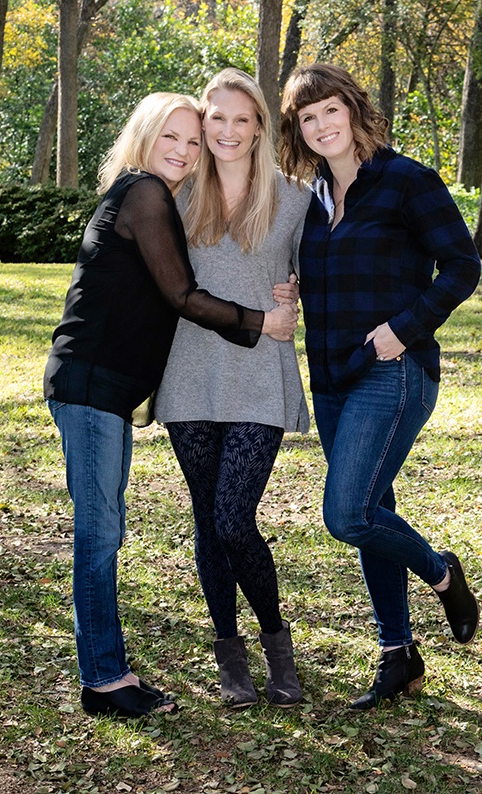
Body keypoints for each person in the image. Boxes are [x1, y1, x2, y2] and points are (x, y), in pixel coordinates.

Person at [44, 92, 297, 721]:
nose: (184, 151)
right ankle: (104, 679)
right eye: (172, 138)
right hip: (90, 384)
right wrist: (262, 320)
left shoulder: (154, 194)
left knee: (112, 530)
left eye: (192, 139)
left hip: (107, 391)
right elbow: (182, 294)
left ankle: (110, 671)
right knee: (100, 535)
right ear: (145, 138)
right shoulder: (146, 194)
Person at [279, 63, 482, 710]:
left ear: (353, 109)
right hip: (333, 377)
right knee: (373, 512)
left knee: (348, 513)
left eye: (328, 110)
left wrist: (403, 327)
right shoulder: (308, 199)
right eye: (306, 118)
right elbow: (327, 274)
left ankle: (442, 572)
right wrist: (295, 289)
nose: (319, 125)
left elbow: (461, 266)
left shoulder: (406, 181)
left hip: (393, 371)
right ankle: (397, 656)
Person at [155, 68, 311, 709]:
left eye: (240, 119)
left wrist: (298, 292)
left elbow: (318, 267)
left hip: (259, 374)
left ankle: (276, 643)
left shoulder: (296, 198)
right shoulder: (175, 192)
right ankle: (229, 652)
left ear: (259, 128)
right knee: (206, 521)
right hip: (188, 373)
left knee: (232, 516)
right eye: (215, 118)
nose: (226, 130)